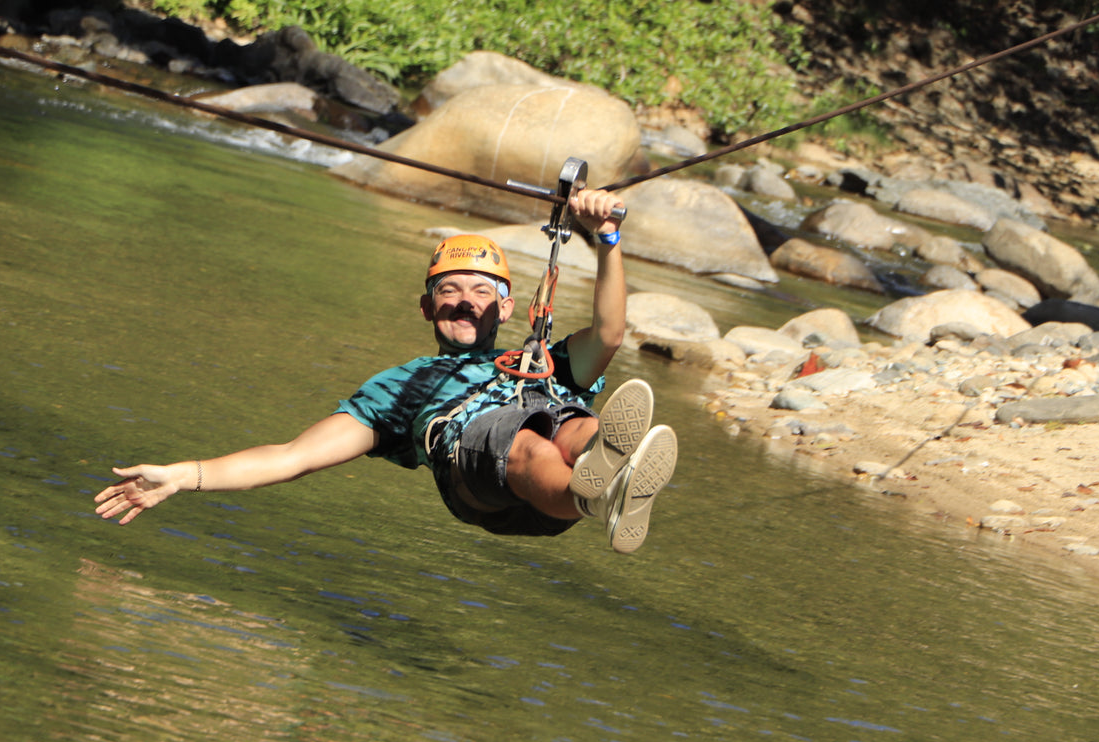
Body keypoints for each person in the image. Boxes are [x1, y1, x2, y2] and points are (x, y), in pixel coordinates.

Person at [95, 188, 677, 554]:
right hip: (475, 470)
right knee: (525, 445)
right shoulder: (398, 389)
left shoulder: (543, 359)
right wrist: (184, 475)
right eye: (448, 291)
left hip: (546, 480)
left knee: (571, 424)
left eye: (481, 291)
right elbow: (293, 456)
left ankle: (610, 478)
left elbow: (609, 334)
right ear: (428, 308)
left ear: (505, 307)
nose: (464, 301)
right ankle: (599, 496)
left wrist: (607, 239)